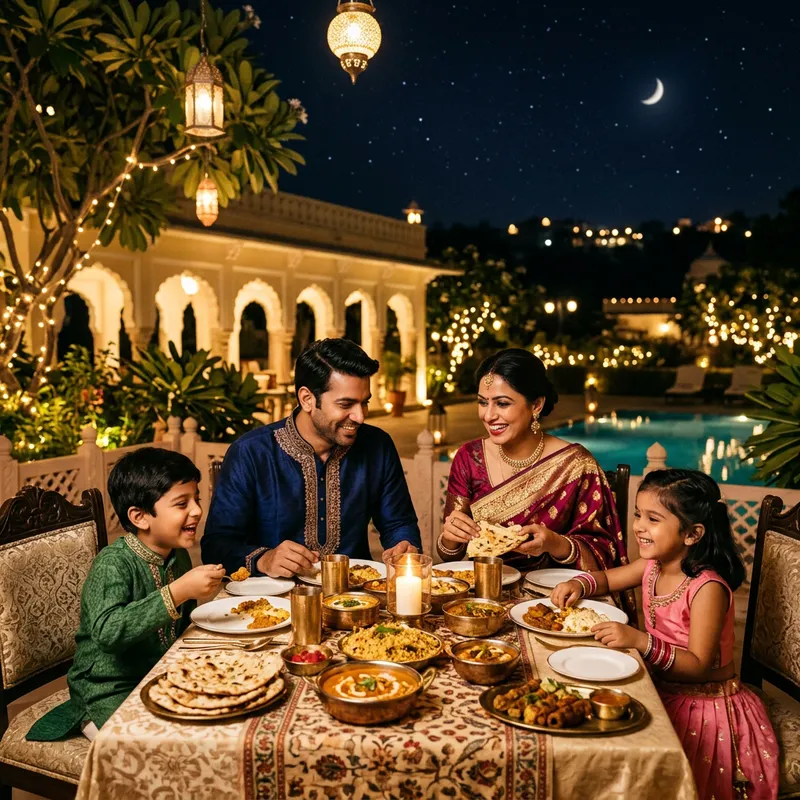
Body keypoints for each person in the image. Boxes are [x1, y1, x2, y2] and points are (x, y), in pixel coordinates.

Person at [551, 469, 778, 800]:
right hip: (660, 685)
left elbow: (699, 665)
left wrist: (639, 641)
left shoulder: (707, 588)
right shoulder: (654, 565)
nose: (639, 526)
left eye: (653, 519)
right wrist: (577, 583)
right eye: (638, 515)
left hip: (705, 705)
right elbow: (606, 579)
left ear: (692, 534)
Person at [27, 448, 225, 742]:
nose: (197, 510)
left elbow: (176, 629)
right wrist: (177, 592)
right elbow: (108, 632)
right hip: (106, 689)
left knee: (214, 717)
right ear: (140, 516)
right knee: (160, 748)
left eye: (196, 498)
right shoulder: (113, 563)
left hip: (156, 676)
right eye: (182, 503)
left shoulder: (178, 556)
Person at [437, 348, 634, 615]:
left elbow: (604, 554)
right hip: (482, 600)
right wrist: (451, 538)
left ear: (537, 405)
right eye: (483, 402)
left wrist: (554, 543)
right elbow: (450, 556)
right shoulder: (469, 457)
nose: (488, 415)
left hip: (554, 603)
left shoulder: (576, 464)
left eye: (502, 403)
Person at [202, 338, 421, 577]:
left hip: (355, 597)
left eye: (364, 403)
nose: (359, 416)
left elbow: (398, 523)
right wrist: (265, 559)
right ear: (307, 399)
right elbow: (216, 546)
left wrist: (404, 544)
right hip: (271, 604)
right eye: (346, 404)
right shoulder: (251, 454)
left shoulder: (377, 446)